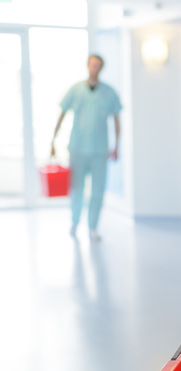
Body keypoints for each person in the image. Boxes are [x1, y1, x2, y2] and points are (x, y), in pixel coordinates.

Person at [50, 54, 122, 242]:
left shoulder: (109, 93)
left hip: (100, 150)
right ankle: (74, 222)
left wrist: (117, 146)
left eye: (98, 65)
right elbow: (62, 114)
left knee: (98, 191)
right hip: (78, 148)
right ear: (87, 66)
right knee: (76, 188)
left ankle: (93, 227)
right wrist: (53, 141)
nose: (94, 68)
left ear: (101, 67)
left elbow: (116, 120)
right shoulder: (75, 90)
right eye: (92, 64)